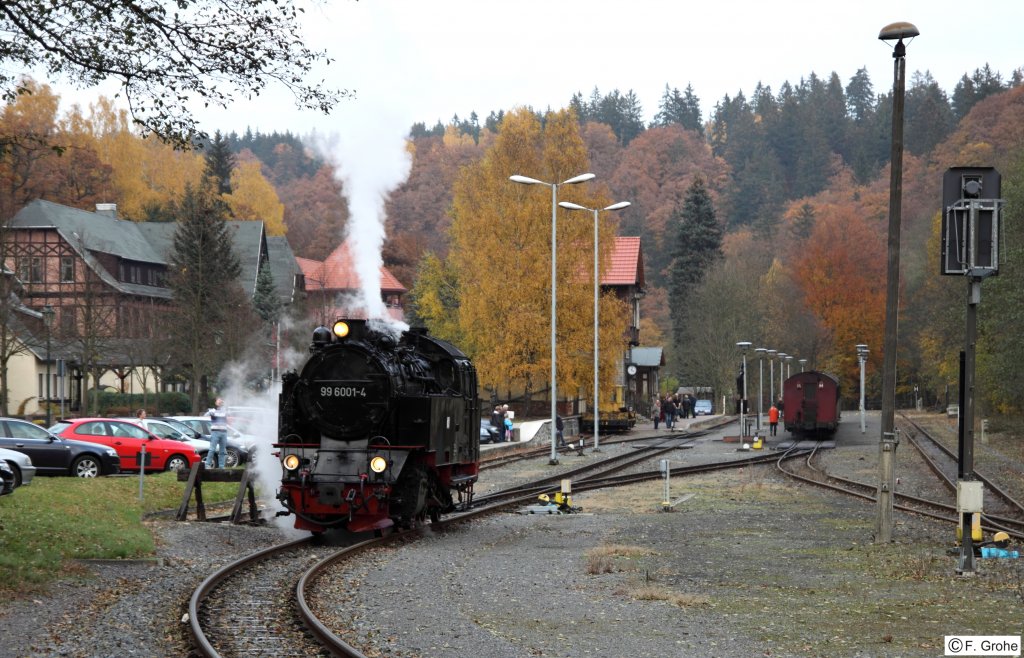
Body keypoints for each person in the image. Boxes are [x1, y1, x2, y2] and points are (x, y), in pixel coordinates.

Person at [206, 397, 228, 468]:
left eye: (221, 401)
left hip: (224, 432)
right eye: (218, 401)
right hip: (215, 432)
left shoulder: (225, 411)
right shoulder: (212, 411)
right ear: (215, 403)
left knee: (222, 451)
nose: (220, 402)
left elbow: (230, 414)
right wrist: (210, 412)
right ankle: (207, 465)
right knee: (212, 449)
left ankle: (221, 466)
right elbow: (205, 415)